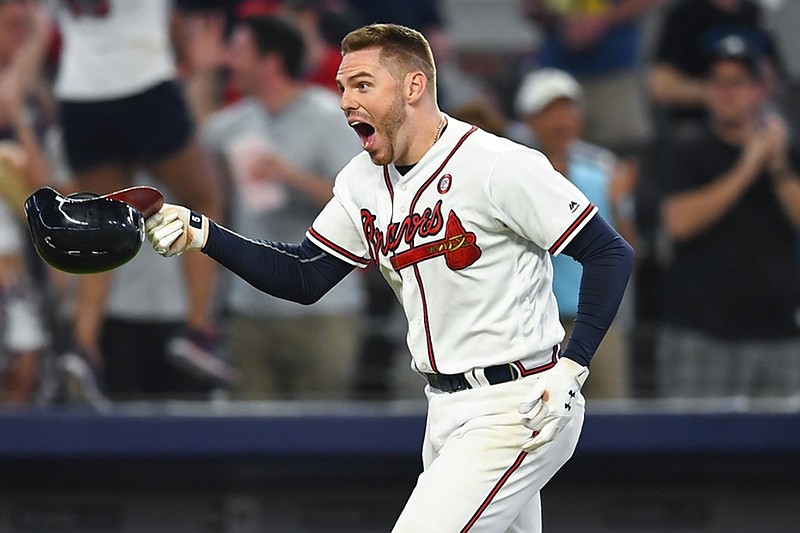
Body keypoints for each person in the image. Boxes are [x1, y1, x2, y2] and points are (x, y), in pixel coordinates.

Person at [146, 23, 634, 531]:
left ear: (413, 86)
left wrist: (573, 367)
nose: (345, 101)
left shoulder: (496, 164)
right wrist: (204, 234)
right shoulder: (362, 180)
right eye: (341, 87)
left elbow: (608, 252)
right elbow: (304, 275)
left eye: (361, 84)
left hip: (517, 404)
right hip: (444, 408)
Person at [49, 0, 235, 386]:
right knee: (204, 197)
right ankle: (198, 331)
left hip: (79, 93)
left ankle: (83, 348)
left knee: (100, 223)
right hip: (143, 81)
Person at [198, 15, 364, 399]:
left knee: (324, 436)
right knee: (248, 438)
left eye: (239, 51)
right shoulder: (233, 123)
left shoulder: (331, 118)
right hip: (250, 309)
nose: (230, 61)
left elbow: (360, 203)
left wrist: (290, 175)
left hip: (325, 308)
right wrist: (203, 74)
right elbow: (191, 152)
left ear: (270, 62)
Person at [657, 36, 800, 399]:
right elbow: (679, 223)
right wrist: (749, 165)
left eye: (738, 82)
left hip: (778, 335)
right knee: (692, 451)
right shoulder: (684, 146)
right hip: (702, 335)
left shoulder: (786, 151)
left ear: (760, 89)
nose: (726, 92)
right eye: (717, 81)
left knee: (781, 453)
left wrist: (778, 167)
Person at [514, 67, 637, 399]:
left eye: (567, 109)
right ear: (528, 121)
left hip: (599, 321)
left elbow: (629, 245)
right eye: (549, 112)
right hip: (534, 326)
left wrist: (617, 200)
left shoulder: (604, 168)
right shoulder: (515, 172)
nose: (561, 121)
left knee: (612, 418)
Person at [520, 0, 662, 155]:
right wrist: (549, 14)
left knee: (623, 151)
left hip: (613, 74)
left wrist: (603, 20)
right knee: (550, 152)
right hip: (555, 76)